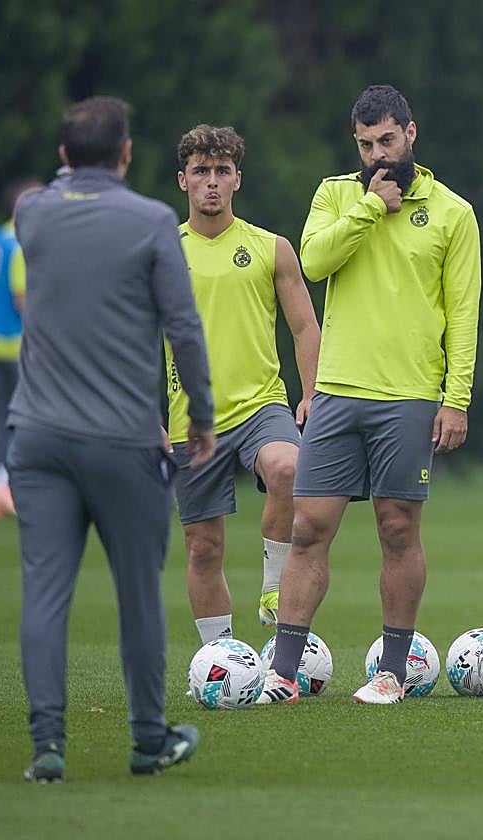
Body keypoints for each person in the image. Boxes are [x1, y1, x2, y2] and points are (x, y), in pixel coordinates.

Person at [8, 96, 215, 781]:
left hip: (37, 436)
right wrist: (201, 417)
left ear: (64, 155)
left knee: (44, 594)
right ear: (126, 153)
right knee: (139, 595)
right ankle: (149, 739)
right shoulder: (152, 221)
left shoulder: (33, 212)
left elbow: (51, 195)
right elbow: (183, 327)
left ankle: (47, 746)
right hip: (123, 441)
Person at [257, 84, 481, 705]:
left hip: (409, 395)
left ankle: (392, 672)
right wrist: (369, 208)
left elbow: (463, 313)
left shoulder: (453, 213)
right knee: (308, 527)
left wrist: (456, 397)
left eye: (387, 140)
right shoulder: (336, 195)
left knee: (397, 529)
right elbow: (314, 262)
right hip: (336, 391)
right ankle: (283, 674)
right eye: (365, 145)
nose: (378, 155)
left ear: (411, 133)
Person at [168, 125, 320, 645]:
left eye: (222, 171)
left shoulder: (270, 248)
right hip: (191, 418)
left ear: (238, 179)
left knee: (288, 468)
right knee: (203, 547)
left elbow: (305, 326)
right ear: (183, 180)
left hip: (262, 405)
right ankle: (221, 658)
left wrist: (311, 393)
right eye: (201, 171)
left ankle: (274, 588)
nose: (211, 181)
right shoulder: (162, 253)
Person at [0, 178, 41, 518]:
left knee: (0, 417)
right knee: (22, 419)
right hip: (16, 343)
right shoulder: (21, 242)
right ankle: (8, 486)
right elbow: (22, 299)